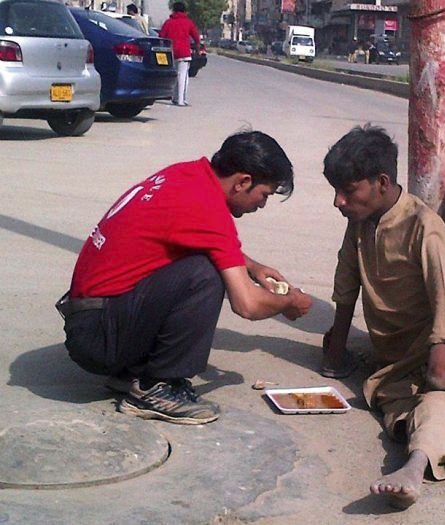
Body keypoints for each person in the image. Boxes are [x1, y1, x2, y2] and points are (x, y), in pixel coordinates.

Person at [57, 130, 312, 425]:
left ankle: (132, 372)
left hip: (93, 320)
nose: (261, 205)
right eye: (264, 195)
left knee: (203, 263)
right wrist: (288, 302)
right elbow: (247, 305)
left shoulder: (187, 175)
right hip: (99, 338)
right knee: (205, 274)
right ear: (242, 182)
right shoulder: (208, 208)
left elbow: (192, 235)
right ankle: (155, 388)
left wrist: (253, 267)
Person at [321, 125, 445, 509]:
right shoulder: (359, 222)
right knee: (401, 409)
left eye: (348, 191)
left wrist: (438, 368)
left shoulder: (426, 229)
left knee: (436, 400)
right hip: (395, 361)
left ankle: (413, 467)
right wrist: (335, 348)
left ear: (381, 182)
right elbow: (346, 281)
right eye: (335, 191)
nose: (338, 202)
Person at [159, 2, 200, 106]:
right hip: (184, 52)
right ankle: (181, 100)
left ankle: (174, 96)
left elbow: (161, 36)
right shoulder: (188, 22)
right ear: (184, 11)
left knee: (174, 75)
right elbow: (196, 37)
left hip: (170, 52)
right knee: (183, 76)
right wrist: (197, 47)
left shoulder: (168, 22)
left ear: (173, 10)